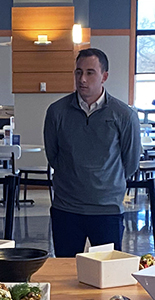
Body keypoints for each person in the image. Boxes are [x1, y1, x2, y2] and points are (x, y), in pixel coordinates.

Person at [44, 48, 141, 257]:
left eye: (90, 73)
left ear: (104, 76)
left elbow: (131, 162)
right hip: (67, 208)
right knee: (65, 272)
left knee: (107, 276)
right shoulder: (56, 112)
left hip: (107, 210)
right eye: (78, 72)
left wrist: (106, 182)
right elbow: (53, 156)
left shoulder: (124, 115)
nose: (83, 79)